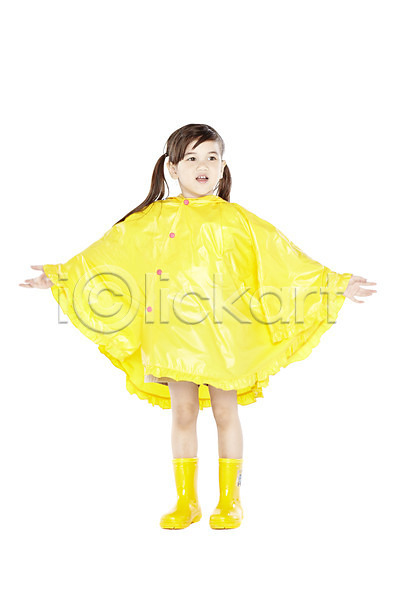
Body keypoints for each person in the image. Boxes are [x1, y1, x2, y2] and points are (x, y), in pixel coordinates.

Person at [19, 123, 377, 530]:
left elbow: (283, 261)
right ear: (173, 168)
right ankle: (186, 500)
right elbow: (110, 254)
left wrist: (332, 283)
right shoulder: (152, 219)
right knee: (183, 411)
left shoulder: (238, 220)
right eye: (191, 158)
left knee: (226, 410)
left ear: (223, 167)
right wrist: (63, 275)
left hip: (225, 335)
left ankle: (230, 499)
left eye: (211, 157)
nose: (202, 166)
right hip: (172, 332)